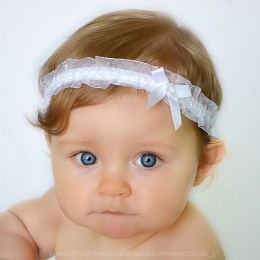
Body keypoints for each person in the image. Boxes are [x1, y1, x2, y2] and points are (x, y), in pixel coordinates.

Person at [0, 9, 226, 259]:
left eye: (147, 160)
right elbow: (14, 226)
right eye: (87, 157)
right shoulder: (61, 212)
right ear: (52, 146)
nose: (112, 188)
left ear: (203, 163)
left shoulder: (190, 251)